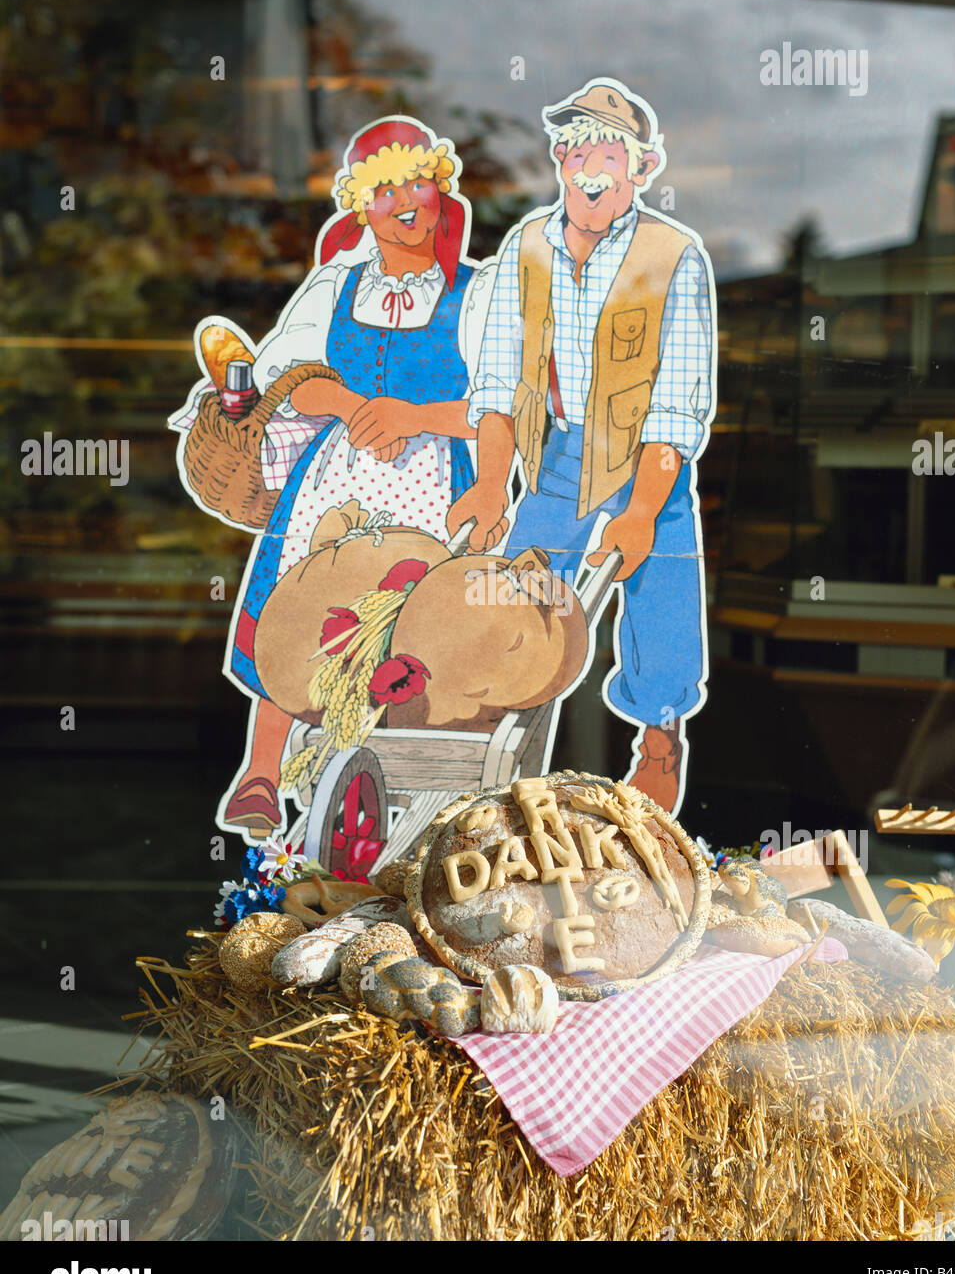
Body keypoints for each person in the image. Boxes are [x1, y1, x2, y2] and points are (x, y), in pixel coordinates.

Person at [171, 117, 491, 836]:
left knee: (411, 620)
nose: (406, 202)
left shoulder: (478, 293)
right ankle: (262, 770)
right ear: (359, 206)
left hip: (435, 484)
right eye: (385, 190)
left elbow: (502, 405)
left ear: (441, 193)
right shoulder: (336, 286)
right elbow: (286, 378)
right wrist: (353, 406)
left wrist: (415, 417)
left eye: (419, 183)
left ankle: (409, 787)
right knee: (296, 603)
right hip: (337, 480)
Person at [448, 80, 717, 814]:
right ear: (557, 161)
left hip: (646, 459)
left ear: (643, 167)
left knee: (660, 586)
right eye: (573, 148)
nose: (588, 165)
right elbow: (497, 382)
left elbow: (678, 401)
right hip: (558, 453)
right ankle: (494, 740)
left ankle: (659, 739)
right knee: (521, 595)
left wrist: (640, 509)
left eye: (607, 150)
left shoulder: (674, 255)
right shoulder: (525, 245)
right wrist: (488, 484)